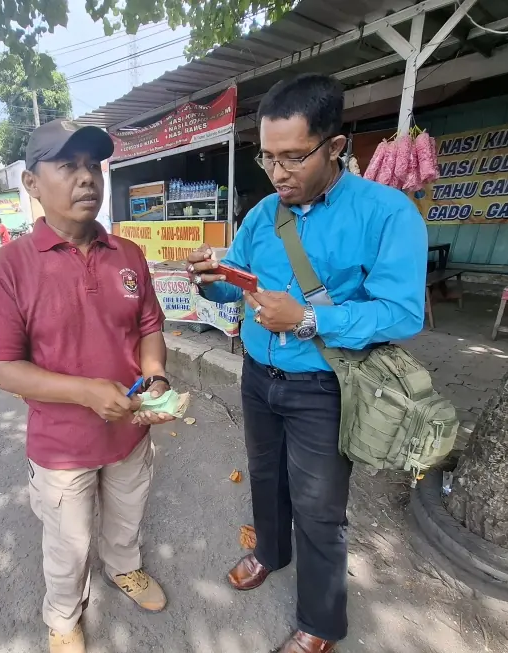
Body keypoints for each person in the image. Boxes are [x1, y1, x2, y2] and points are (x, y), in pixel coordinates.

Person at [186, 74, 427, 653]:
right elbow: (237, 285)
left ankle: (320, 622)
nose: (278, 174)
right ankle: (270, 551)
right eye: (268, 159)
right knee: (266, 478)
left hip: (326, 384)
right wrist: (214, 280)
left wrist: (310, 319)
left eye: (293, 157)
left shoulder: (387, 213)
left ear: (335, 147)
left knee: (320, 507)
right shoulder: (263, 213)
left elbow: (402, 313)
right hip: (258, 374)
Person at [0, 119, 175, 653]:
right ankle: (63, 616)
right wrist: (85, 392)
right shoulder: (7, 267)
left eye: (92, 166)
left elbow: (149, 325)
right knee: (67, 543)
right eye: (67, 166)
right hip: (62, 448)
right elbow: (2, 368)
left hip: (130, 434)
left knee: (127, 517)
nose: (86, 179)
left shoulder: (128, 256)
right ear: (32, 184)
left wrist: (155, 378)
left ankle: (124, 569)